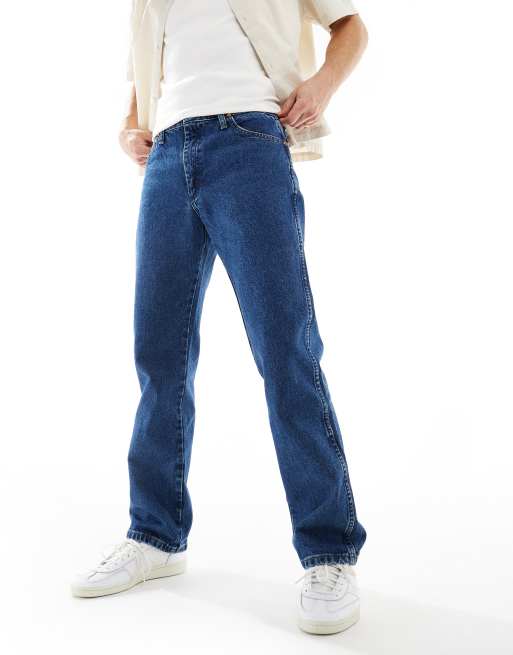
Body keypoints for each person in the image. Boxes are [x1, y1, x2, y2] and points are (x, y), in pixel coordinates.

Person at [72, 0, 368, 636]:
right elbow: (144, 73)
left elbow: (351, 26)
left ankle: (329, 551)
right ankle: (155, 535)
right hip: (166, 155)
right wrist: (129, 125)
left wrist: (321, 85)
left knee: (285, 351)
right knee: (159, 356)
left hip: (250, 142)